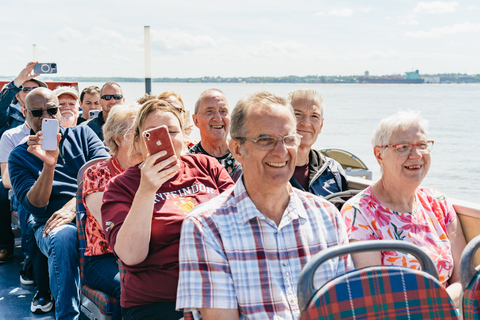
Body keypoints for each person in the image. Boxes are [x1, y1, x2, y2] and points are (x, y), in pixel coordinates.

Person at [176, 90, 353, 320]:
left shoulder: (327, 217)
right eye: (265, 140)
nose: (280, 152)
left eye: (289, 139)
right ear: (237, 149)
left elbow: (346, 308)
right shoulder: (206, 227)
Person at [101, 99, 235, 320]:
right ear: (138, 141)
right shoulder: (121, 186)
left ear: (184, 136)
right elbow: (131, 255)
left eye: (173, 132)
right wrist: (146, 190)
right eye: (152, 134)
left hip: (218, 289)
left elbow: (238, 217)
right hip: (159, 301)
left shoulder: (207, 166)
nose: (167, 141)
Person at [340, 110, 467, 308]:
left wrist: (441, 306)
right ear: (379, 154)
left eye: (422, 145)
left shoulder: (438, 203)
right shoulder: (359, 213)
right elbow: (373, 296)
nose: (416, 155)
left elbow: (463, 278)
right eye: (403, 147)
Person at [8, 87, 109, 319]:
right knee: (64, 236)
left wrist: (74, 205)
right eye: (37, 112)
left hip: (93, 216)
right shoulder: (19, 156)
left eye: (51, 110)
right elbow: (36, 206)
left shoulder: (83, 135)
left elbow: (106, 172)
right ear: (25, 114)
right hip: (49, 225)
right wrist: (48, 165)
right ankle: (67, 315)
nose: (45, 118)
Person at [82, 103, 141, 320]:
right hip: (105, 258)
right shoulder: (97, 173)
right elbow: (111, 227)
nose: (144, 139)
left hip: (146, 252)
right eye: (136, 133)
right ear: (117, 138)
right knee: (129, 287)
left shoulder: (150, 170)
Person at [0, 61, 47, 263]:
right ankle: (6, 245)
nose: (29, 92)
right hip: (10, 167)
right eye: (24, 89)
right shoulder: (8, 118)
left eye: (34, 89)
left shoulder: (52, 116)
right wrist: (17, 80)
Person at [288, 89, 348, 196]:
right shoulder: (270, 168)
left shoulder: (333, 171)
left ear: (321, 125)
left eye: (314, 116)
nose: (306, 123)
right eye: (298, 114)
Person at [188, 89, 241, 181]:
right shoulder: (188, 162)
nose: (218, 118)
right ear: (196, 120)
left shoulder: (244, 155)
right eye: (209, 111)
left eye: (223, 111)